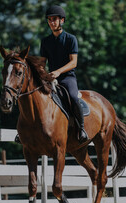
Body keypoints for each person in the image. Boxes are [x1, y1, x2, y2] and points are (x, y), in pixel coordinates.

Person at [40, 5, 89, 143]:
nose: (51, 22)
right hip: (51, 78)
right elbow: (42, 63)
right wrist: (43, 74)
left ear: (62, 20)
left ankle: (81, 129)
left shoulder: (71, 39)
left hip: (67, 77)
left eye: (54, 19)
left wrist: (58, 72)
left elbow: (74, 62)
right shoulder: (45, 41)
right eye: (49, 20)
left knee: (73, 97)